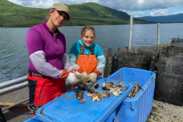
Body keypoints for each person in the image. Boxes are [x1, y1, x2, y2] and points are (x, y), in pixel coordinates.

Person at [26, 3, 86, 113]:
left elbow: (64, 60)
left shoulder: (61, 37)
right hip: (42, 83)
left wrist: (73, 71)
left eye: (65, 17)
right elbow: (40, 65)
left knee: (60, 110)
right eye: (60, 13)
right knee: (42, 114)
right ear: (51, 12)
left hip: (59, 82)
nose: (62, 18)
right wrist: (66, 75)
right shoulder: (35, 32)